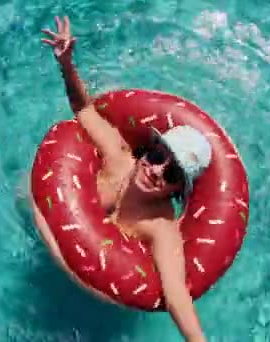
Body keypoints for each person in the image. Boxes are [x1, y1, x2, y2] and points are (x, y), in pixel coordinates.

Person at [38, 16, 212, 342]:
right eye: (159, 157)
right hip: (44, 231)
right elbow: (83, 110)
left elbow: (176, 296)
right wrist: (66, 63)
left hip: (89, 297)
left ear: (178, 189)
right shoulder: (118, 157)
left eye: (172, 172)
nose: (156, 170)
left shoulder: (161, 227)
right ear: (151, 148)